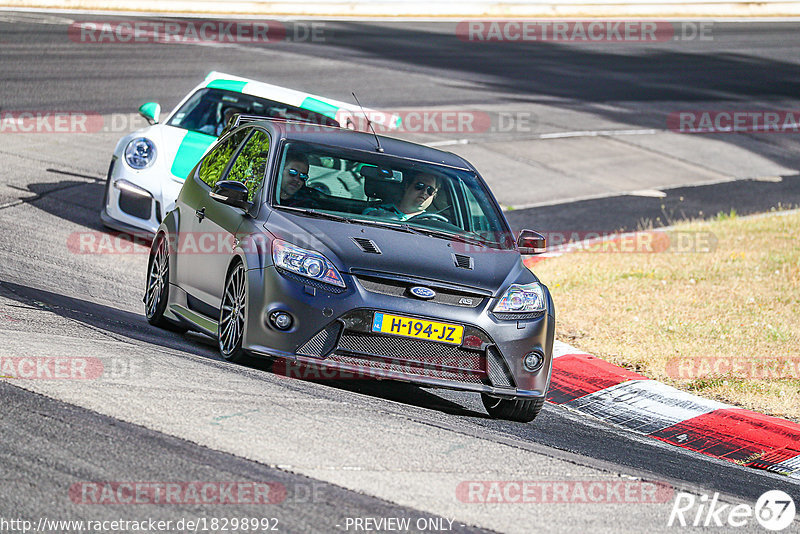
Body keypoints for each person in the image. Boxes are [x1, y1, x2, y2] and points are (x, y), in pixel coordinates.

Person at [363, 172, 440, 220]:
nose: (424, 192)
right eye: (420, 186)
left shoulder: (433, 222)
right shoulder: (374, 212)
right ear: (407, 186)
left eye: (430, 190)